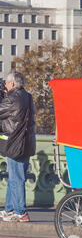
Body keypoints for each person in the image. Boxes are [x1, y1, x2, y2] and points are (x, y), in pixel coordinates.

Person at [0, 71, 36, 222]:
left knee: (17, 178)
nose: (6, 86)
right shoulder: (27, 96)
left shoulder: (12, 98)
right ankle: (9, 209)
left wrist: (2, 96)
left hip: (15, 143)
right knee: (14, 177)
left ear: (12, 83)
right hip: (26, 142)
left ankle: (21, 212)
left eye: (7, 83)